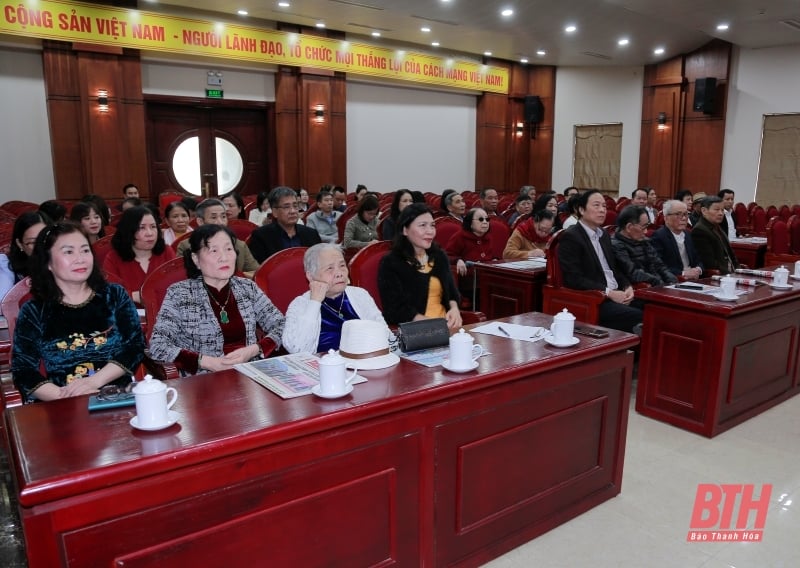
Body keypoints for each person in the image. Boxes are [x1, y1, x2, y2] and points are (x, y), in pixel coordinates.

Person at [11, 222, 145, 402]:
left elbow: (134, 346)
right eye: (68, 252)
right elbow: (24, 370)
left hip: (117, 396)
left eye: (85, 250)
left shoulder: (114, 295)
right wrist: (66, 397)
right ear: (48, 262)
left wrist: (94, 383)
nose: (80, 259)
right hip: (60, 401)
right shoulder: (35, 310)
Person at [149, 224, 285, 374]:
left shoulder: (247, 287)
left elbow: (281, 325)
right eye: (214, 251)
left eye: (228, 249)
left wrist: (254, 349)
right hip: (201, 381)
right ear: (196, 259)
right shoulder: (179, 293)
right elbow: (158, 345)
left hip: (249, 373)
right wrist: (205, 362)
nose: (224, 257)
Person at [557, 190, 643, 333]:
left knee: (655, 307)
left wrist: (627, 286)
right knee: (643, 316)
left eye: (604, 206)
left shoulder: (603, 235)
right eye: (596, 206)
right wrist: (608, 293)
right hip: (595, 299)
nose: (602, 210)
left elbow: (614, 268)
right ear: (581, 210)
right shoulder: (571, 237)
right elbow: (574, 279)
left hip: (615, 293)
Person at [283, 244, 391, 354]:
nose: (339, 273)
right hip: (324, 368)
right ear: (310, 276)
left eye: (342, 265)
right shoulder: (300, 305)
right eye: (330, 268)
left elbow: (385, 335)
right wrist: (314, 303)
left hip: (363, 363)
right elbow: (296, 349)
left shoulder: (360, 295)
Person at [378, 203, 462, 331]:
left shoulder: (439, 256)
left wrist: (454, 309)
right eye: (423, 225)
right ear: (405, 230)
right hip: (416, 331)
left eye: (432, 225)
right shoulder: (391, 262)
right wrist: (433, 325)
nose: (430, 231)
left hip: (447, 327)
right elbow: (395, 309)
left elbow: (451, 293)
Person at [103, 206, 176, 304]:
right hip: (128, 314)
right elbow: (110, 294)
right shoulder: (113, 258)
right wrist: (135, 296)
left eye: (153, 226)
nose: (150, 233)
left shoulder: (166, 251)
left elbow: (177, 287)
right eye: (142, 228)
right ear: (128, 231)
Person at [176, 198, 260, 278]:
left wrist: (234, 275)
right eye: (214, 217)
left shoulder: (239, 245)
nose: (220, 222)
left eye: (223, 217)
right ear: (200, 222)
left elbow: (256, 272)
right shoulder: (186, 246)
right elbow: (182, 277)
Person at [248, 186, 322, 263]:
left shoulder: (311, 234)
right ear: (275, 212)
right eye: (286, 207)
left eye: (295, 206)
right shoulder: (261, 236)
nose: (293, 211)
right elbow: (259, 269)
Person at [611, 205, 677, 287]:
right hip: (644, 290)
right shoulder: (617, 245)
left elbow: (660, 265)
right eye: (643, 227)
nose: (646, 232)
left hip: (659, 285)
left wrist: (672, 280)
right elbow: (633, 273)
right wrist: (659, 283)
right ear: (629, 227)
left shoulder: (644, 241)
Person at [650, 200, 703, 279]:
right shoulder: (659, 236)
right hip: (674, 280)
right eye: (678, 214)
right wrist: (683, 273)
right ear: (666, 218)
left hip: (694, 279)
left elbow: (699, 258)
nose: (684, 218)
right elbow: (658, 266)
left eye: (685, 214)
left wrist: (698, 269)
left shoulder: (688, 234)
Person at [690, 195, 740, 275]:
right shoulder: (699, 231)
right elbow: (709, 263)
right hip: (718, 276)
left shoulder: (717, 227)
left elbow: (731, 255)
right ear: (704, 211)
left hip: (730, 274)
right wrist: (731, 275)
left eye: (722, 210)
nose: (721, 213)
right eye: (716, 210)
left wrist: (739, 272)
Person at [6, 211, 47, 282]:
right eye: (33, 242)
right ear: (20, 244)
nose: (41, 246)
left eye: (45, 239)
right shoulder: (7, 271)